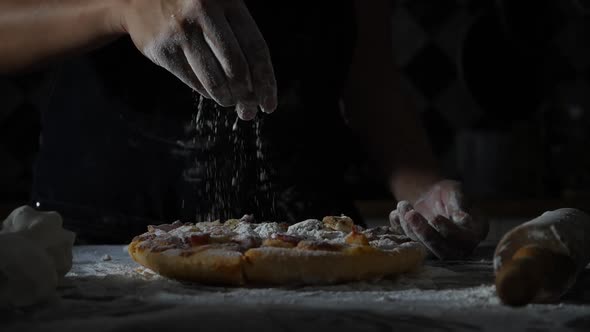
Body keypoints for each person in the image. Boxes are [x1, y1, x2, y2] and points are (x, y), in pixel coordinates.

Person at [0, 0, 488, 259]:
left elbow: (372, 80)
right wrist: (119, 8)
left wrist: (424, 194)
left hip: (313, 241)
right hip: (96, 243)